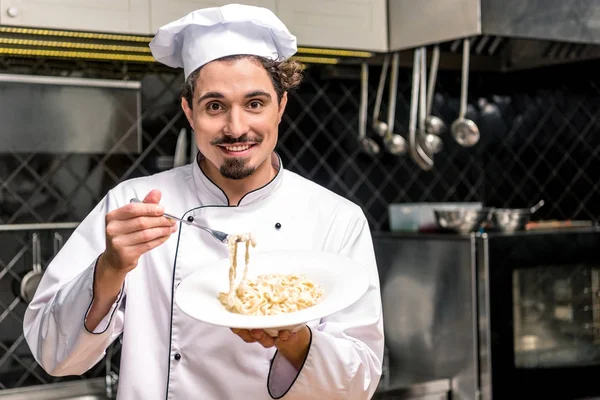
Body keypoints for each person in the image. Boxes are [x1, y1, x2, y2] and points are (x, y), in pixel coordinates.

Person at [23, 4, 384, 399]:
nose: (236, 127)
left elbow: (360, 382)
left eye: (254, 103)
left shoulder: (336, 219)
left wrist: (293, 339)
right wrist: (110, 267)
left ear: (280, 107)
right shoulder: (134, 205)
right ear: (189, 112)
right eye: (215, 106)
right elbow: (52, 355)